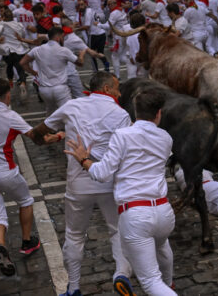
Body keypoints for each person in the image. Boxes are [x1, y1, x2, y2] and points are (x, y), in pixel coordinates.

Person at [28, 72, 135, 296]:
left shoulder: (72, 106)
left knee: (75, 235)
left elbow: (38, 132)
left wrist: (50, 139)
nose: (119, 93)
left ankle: (74, 287)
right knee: (117, 231)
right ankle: (120, 274)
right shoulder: (121, 114)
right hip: (108, 183)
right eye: (116, 88)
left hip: (78, 185)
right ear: (106, 89)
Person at [64, 89, 177, 296]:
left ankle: (166, 289)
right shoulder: (166, 138)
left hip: (136, 214)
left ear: (135, 111)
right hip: (163, 210)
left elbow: (102, 173)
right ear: (158, 113)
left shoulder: (122, 136)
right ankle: (169, 285)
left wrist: (83, 159)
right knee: (162, 247)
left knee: (151, 281)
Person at [0, 79, 62, 277]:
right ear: (8, 95)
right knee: (25, 201)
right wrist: (58, 136)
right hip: (5, 172)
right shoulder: (11, 116)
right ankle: (27, 241)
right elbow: (37, 139)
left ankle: (1, 246)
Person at [20, 27, 84, 116]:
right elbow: (80, 63)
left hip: (44, 90)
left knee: (50, 113)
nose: (63, 39)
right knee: (69, 113)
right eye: (62, 37)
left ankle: (50, 129)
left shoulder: (37, 49)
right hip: (60, 89)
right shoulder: (64, 50)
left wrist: (33, 72)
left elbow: (23, 62)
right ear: (58, 38)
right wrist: (81, 55)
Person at [0, 7, 29, 97]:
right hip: (19, 50)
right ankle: (23, 83)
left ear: (4, 17)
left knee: (9, 66)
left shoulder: (1, 24)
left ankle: (10, 82)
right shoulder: (19, 24)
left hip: (7, 50)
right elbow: (23, 34)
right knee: (20, 69)